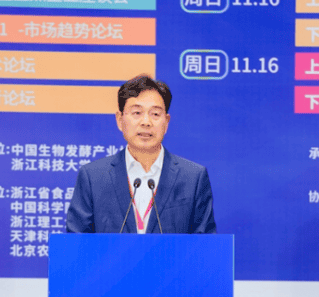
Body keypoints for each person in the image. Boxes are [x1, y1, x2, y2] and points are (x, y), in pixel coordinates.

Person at [66, 75, 216, 234]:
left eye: (155, 114)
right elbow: (76, 242)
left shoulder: (193, 178)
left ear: (166, 123)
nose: (146, 122)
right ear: (120, 120)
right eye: (137, 112)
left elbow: (205, 243)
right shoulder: (93, 177)